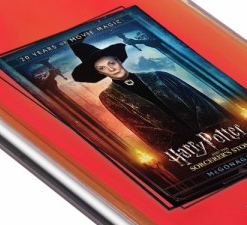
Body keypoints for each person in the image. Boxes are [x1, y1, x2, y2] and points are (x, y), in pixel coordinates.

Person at [70, 41, 230, 153]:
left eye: (111, 63)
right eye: (102, 68)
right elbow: (139, 127)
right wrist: (182, 142)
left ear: (118, 60)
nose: (111, 69)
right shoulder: (109, 97)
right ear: (99, 73)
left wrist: (212, 128)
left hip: (219, 132)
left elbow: (198, 100)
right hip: (186, 148)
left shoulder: (159, 75)